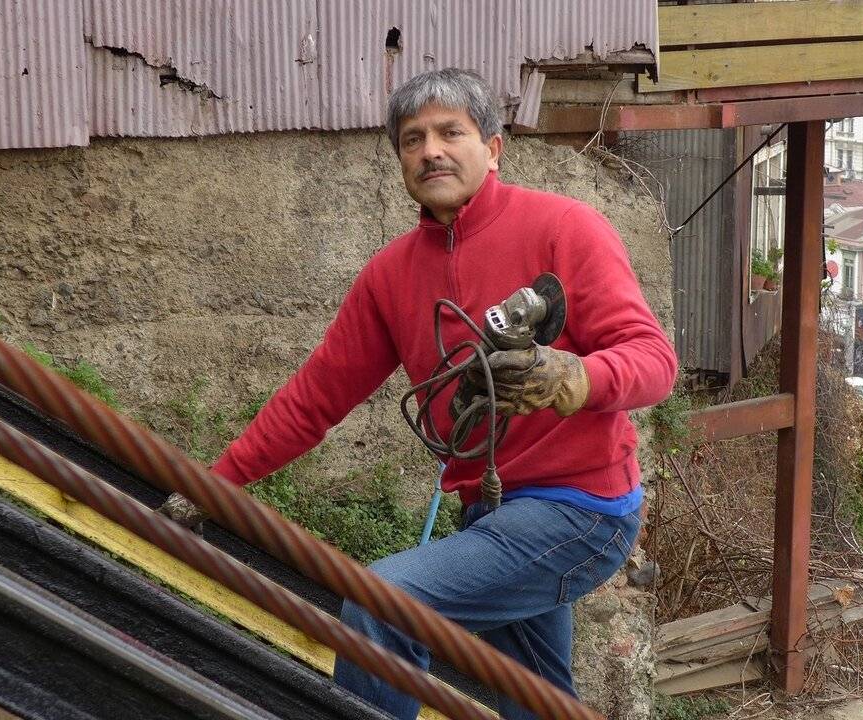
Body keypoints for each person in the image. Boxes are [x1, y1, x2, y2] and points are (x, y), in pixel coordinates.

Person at [160, 68, 677, 719]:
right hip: (490, 512)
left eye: (450, 132)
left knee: (383, 602)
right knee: (535, 701)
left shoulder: (564, 229)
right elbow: (314, 399)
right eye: (412, 139)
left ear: (492, 148)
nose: (431, 150)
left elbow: (654, 361)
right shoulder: (390, 277)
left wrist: (574, 377)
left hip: (581, 510)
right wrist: (216, 484)